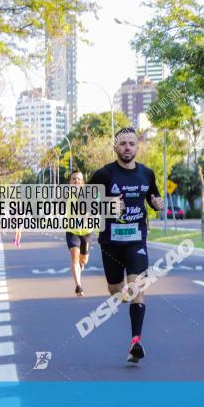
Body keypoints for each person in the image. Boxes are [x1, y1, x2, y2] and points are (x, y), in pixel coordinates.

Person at [89, 127, 165, 363]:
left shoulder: (147, 174)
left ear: (137, 147)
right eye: (123, 144)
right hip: (110, 242)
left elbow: (153, 198)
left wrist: (157, 203)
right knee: (116, 290)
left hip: (136, 240)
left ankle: (136, 342)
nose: (127, 148)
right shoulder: (104, 175)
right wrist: (108, 205)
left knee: (137, 288)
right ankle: (121, 296)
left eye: (131, 143)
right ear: (115, 147)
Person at [65, 169, 92, 296]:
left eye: (79, 179)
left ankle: (82, 264)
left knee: (84, 259)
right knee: (74, 258)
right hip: (72, 231)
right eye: (74, 179)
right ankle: (78, 286)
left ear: (83, 182)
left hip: (86, 231)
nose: (76, 181)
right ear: (70, 182)